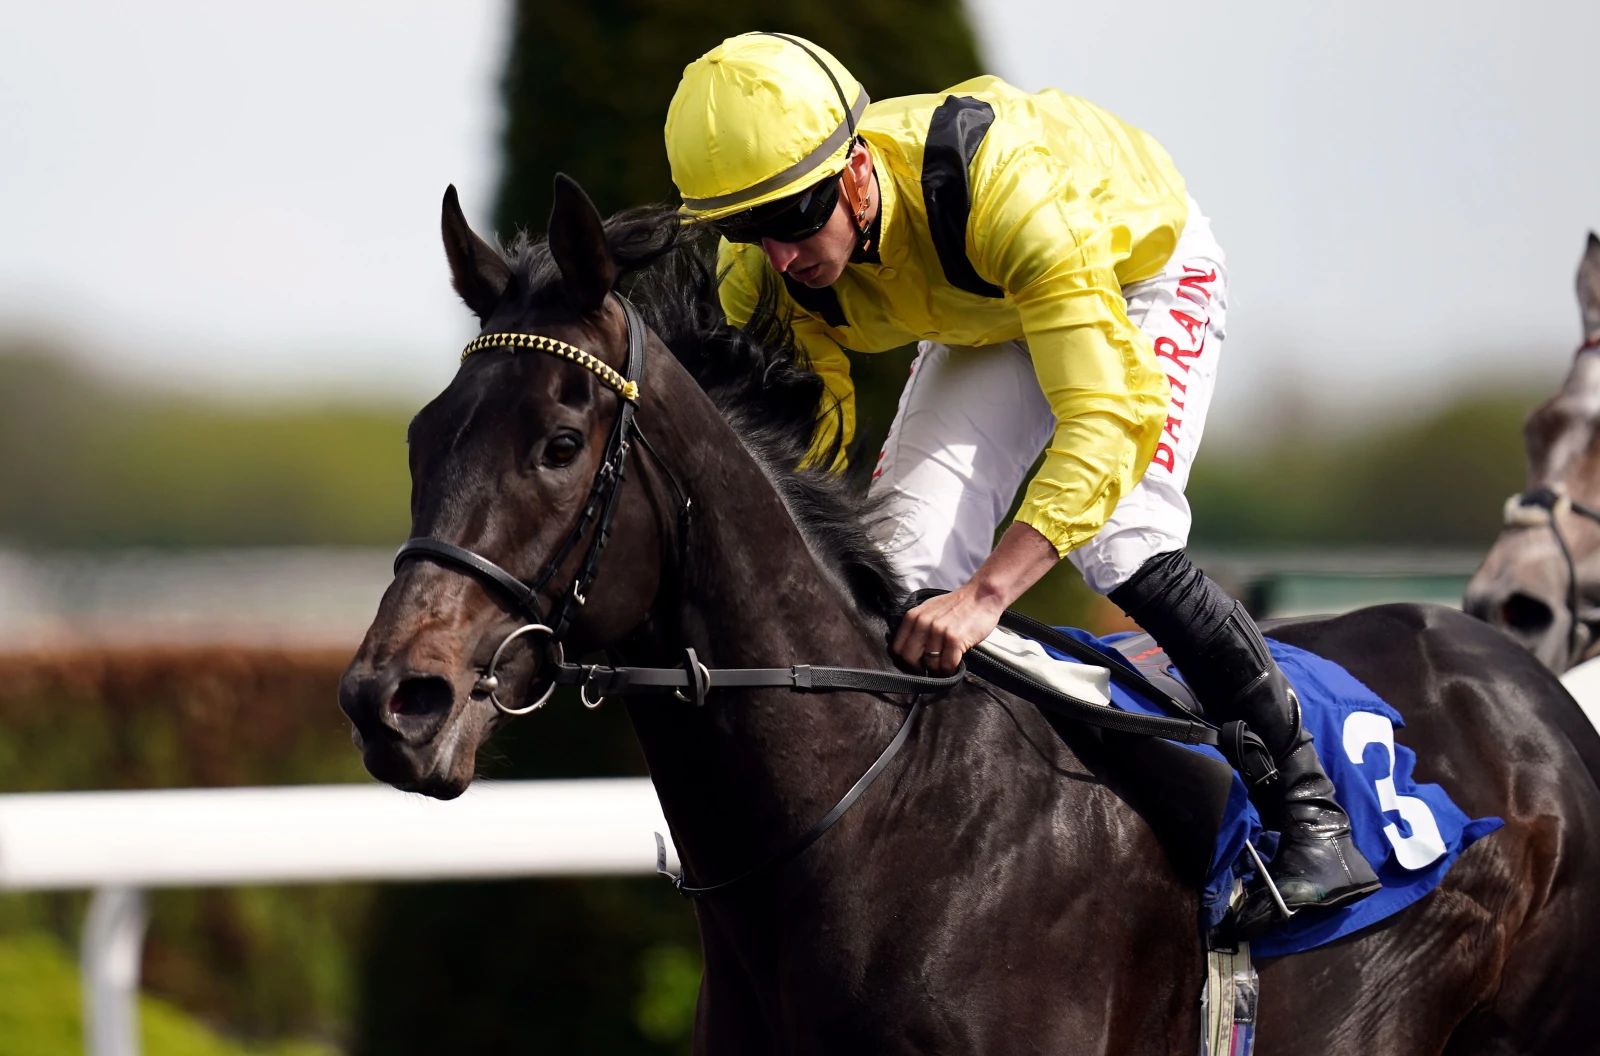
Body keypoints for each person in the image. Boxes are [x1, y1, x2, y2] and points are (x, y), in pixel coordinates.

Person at [663, 31, 1379, 935]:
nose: (776, 257)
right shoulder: (768, 265)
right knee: (892, 565)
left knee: (1121, 539)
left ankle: (1309, 810)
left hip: (1132, 271)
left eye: (793, 219)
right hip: (985, 312)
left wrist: (987, 597)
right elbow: (803, 447)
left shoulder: (1001, 181)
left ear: (851, 173)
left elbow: (1104, 418)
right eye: (743, 230)